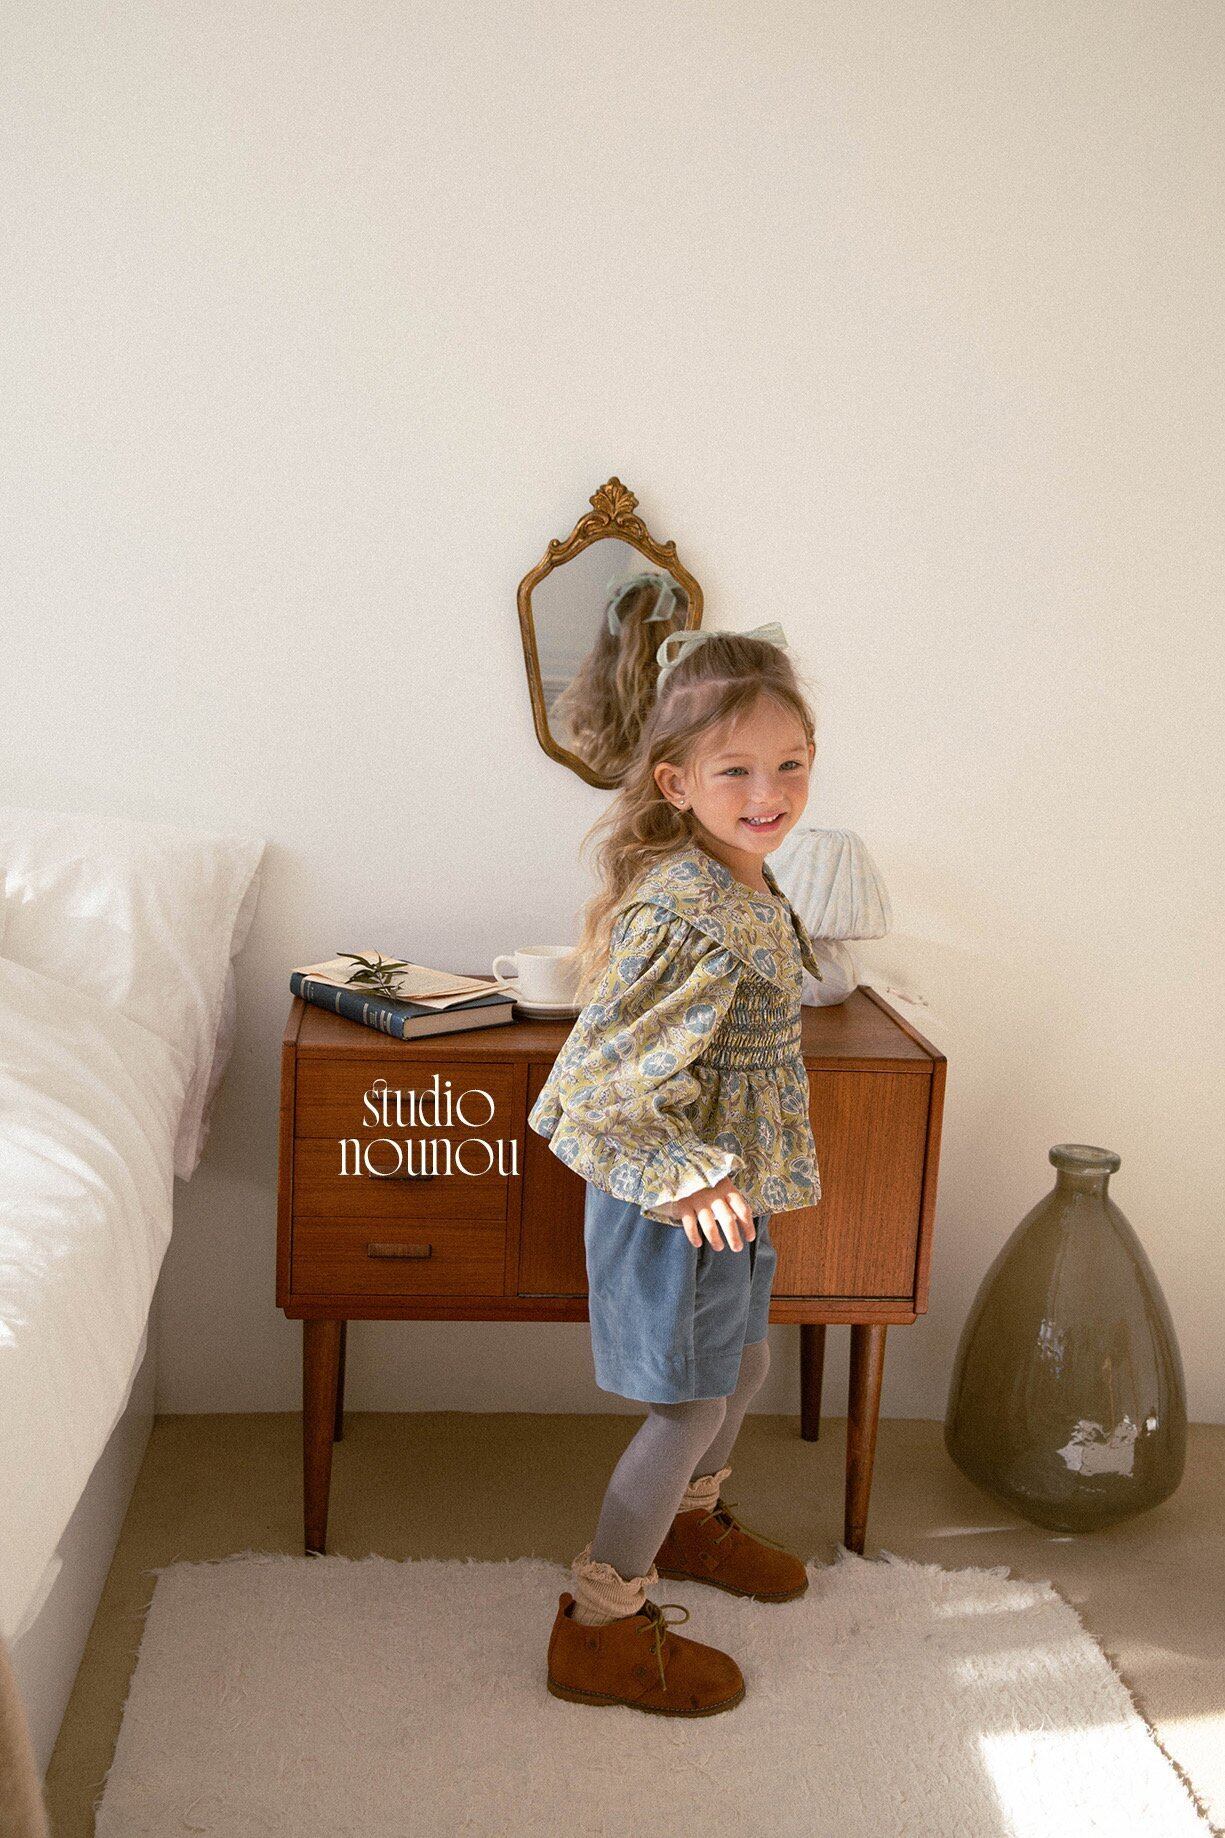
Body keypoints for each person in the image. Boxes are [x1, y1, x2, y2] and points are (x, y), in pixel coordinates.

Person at [530, 623, 826, 1717]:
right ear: (676, 781)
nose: (769, 791)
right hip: (678, 1206)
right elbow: (586, 1088)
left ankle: (688, 1526)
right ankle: (599, 1622)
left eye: (789, 763)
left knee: (741, 1368)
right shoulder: (688, 914)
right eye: (735, 770)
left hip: (728, 1197)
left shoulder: (744, 887)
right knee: (688, 1403)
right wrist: (682, 1176)